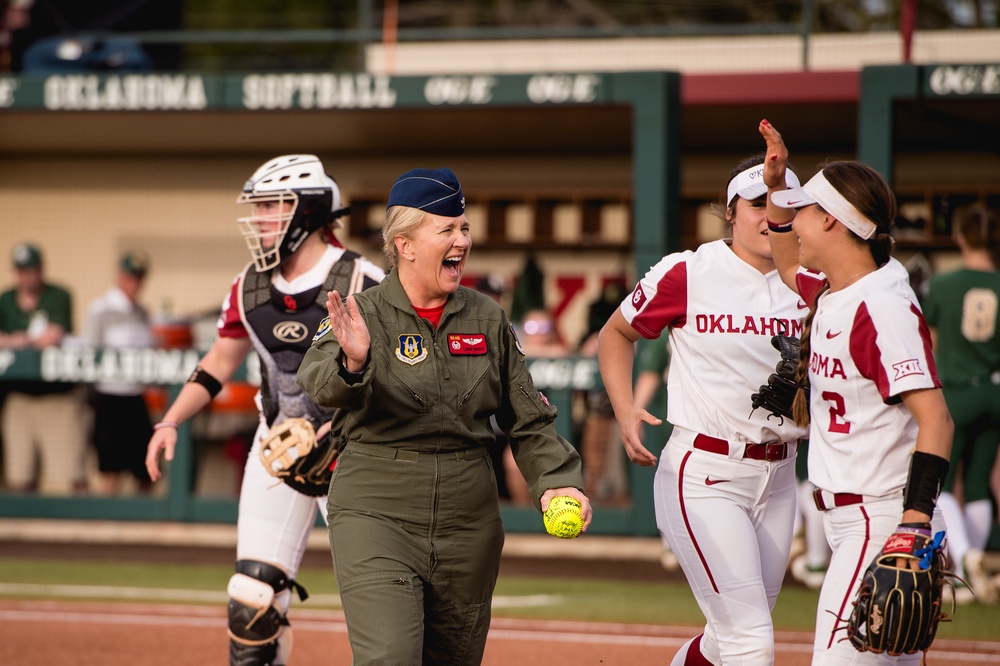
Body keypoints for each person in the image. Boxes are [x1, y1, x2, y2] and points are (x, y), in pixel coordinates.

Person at [296, 167, 591, 665]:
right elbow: (318, 383)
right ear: (405, 244)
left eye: (464, 228)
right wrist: (354, 361)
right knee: (389, 656)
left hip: (468, 518)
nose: (462, 240)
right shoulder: (359, 313)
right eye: (447, 229)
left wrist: (557, 480)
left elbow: (529, 417)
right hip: (376, 507)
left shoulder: (488, 317)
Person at [144, 154, 384, 666]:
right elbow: (219, 360)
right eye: (260, 206)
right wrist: (170, 419)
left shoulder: (366, 279)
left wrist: (340, 428)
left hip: (356, 457)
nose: (260, 218)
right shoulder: (249, 285)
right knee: (251, 603)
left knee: (386, 608)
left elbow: (397, 376)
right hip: (276, 449)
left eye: (274, 205)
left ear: (310, 211)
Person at [598, 154, 808, 665]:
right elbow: (616, 333)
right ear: (730, 212)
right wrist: (624, 409)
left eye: (782, 203)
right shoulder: (690, 271)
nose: (768, 215)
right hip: (706, 471)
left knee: (727, 637)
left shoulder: (812, 282)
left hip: (781, 478)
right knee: (750, 642)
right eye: (756, 204)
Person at [758, 118, 954, 664]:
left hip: (882, 519)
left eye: (803, 212)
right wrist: (776, 188)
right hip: (856, 517)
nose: (792, 222)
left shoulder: (880, 307)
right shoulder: (839, 289)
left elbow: (937, 420)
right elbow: (787, 259)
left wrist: (914, 521)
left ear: (833, 221)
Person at [921, 202, 1000, 605]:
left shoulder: (946, 284)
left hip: (956, 390)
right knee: (979, 481)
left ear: (962, 237)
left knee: (943, 482)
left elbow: (930, 341)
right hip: (995, 390)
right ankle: (978, 560)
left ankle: (966, 559)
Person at [0, 242, 86, 494]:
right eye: (21, 271)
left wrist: (17, 340)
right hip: (19, 397)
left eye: (32, 270)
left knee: (73, 477)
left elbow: (54, 335)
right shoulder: (6, 299)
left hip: (56, 395)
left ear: (41, 270)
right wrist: (30, 341)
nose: (27, 276)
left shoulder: (58, 295)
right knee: (20, 478)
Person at [83, 250, 155, 495]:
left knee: (146, 471)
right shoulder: (100, 310)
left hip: (135, 398)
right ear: (120, 277)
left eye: (139, 278)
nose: (134, 284)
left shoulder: (142, 312)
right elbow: (91, 352)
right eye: (130, 277)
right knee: (110, 471)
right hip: (108, 398)